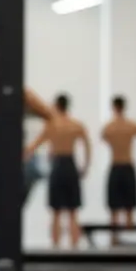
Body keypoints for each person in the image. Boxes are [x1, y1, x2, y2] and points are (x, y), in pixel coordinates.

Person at [25, 94, 91, 249]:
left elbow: (33, 146)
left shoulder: (52, 125)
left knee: (56, 212)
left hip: (57, 166)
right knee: (73, 211)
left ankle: (56, 247)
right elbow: (87, 147)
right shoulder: (77, 125)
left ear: (56, 106)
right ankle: (75, 248)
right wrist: (85, 166)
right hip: (71, 165)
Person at [101, 95, 136, 240]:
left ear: (113, 107)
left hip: (116, 166)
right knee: (129, 209)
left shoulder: (108, 127)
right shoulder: (132, 125)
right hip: (128, 166)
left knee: (114, 209)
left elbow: (103, 138)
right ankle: (128, 240)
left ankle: (114, 240)